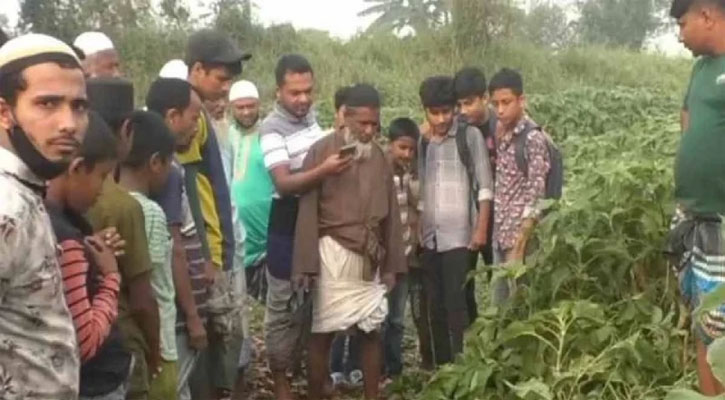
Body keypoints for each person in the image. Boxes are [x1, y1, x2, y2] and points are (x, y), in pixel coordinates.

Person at [293, 83, 406, 400]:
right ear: (346, 118)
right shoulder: (322, 151)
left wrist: (392, 265)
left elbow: (392, 214)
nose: (369, 131)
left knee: (371, 331)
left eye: (374, 124)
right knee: (323, 335)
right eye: (363, 124)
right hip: (332, 253)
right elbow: (307, 208)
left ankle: (372, 396)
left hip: (369, 257)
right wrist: (306, 264)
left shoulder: (380, 158)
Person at [0, 32, 87, 399]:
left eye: (78, 106)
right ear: (5, 113)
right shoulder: (8, 207)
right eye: (48, 104)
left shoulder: (25, 190)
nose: (68, 122)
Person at [259, 53, 350, 400]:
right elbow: (283, 183)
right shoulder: (271, 129)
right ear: (278, 91)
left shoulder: (311, 120)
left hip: (315, 223)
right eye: (294, 92)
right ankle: (282, 380)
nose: (302, 99)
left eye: (308, 91)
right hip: (286, 225)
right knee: (283, 307)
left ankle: (315, 377)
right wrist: (324, 170)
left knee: (315, 302)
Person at [181, 29, 250, 400]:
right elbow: (189, 190)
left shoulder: (204, 116)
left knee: (221, 340)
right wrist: (208, 254)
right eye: (221, 79)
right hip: (200, 254)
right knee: (206, 345)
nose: (226, 89)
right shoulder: (187, 116)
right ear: (196, 70)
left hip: (215, 248)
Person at [46, 112, 133, 400]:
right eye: (102, 176)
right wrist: (110, 276)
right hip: (94, 385)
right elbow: (84, 343)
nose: (103, 190)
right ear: (78, 167)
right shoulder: (63, 237)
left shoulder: (53, 219)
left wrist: (90, 251)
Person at [86, 77, 161, 400]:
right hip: (121, 344)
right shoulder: (123, 205)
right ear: (128, 129)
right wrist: (154, 350)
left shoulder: (52, 194)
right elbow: (143, 299)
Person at [418, 76, 494, 365]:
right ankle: (442, 365)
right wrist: (416, 230)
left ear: (454, 109)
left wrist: (481, 228)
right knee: (434, 306)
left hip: (460, 235)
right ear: (424, 110)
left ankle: (461, 364)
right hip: (430, 236)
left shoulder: (469, 136)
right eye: (434, 113)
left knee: (456, 304)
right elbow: (422, 187)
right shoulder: (423, 141)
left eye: (446, 112)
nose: (440, 119)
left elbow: (485, 187)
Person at [669, 0, 725, 395]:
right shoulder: (701, 69)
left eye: (682, 23)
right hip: (696, 221)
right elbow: (687, 117)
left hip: (723, 223)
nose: (679, 33)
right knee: (706, 324)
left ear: (707, 15)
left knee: (721, 330)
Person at [145, 77, 210, 400]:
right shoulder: (166, 171)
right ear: (172, 117)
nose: (197, 127)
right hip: (178, 314)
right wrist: (194, 316)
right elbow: (175, 249)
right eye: (194, 117)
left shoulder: (150, 164)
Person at [118, 111, 177, 400]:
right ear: (155, 162)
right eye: (169, 163)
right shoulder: (150, 212)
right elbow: (148, 291)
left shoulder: (109, 203)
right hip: (156, 344)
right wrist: (156, 349)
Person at [488, 69, 550, 304]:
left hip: (519, 240)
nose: (501, 109)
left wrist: (520, 247)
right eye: (496, 103)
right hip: (501, 234)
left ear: (521, 100)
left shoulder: (532, 139)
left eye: (507, 102)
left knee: (518, 305)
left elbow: (535, 198)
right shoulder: (500, 131)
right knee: (500, 305)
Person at [382, 117, 434, 380]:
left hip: (407, 257)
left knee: (397, 319)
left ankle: (394, 368)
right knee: (381, 317)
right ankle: (379, 367)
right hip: (386, 259)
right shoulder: (380, 172)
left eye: (411, 150)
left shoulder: (413, 174)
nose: (407, 154)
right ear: (389, 144)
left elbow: (420, 208)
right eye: (402, 148)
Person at [228, 79, 274, 301]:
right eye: (240, 107)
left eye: (251, 106)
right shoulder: (226, 136)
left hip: (267, 241)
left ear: (259, 105)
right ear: (231, 108)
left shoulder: (270, 136)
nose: (246, 112)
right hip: (237, 240)